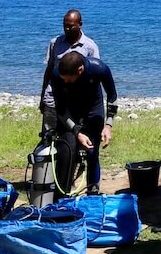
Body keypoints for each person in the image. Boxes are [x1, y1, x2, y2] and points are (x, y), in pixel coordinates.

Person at [39, 8, 101, 187]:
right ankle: (49, 179)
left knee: (75, 139)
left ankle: (76, 179)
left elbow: (94, 77)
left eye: (70, 26)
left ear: (80, 25)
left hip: (76, 103)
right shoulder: (55, 43)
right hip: (53, 98)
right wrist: (43, 96)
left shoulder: (89, 47)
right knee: (49, 137)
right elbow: (49, 70)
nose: (67, 29)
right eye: (64, 26)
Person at [50, 50, 118, 196]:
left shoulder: (99, 68)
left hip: (93, 110)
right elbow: (60, 109)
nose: (65, 82)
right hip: (69, 111)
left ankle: (93, 192)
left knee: (92, 152)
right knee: (67, 150)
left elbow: (112, 96)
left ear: (80, 70)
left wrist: (108, 125)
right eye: (64, 79)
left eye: (68, 79)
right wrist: (76, 131)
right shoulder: (57, 74)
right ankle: (62, 194)